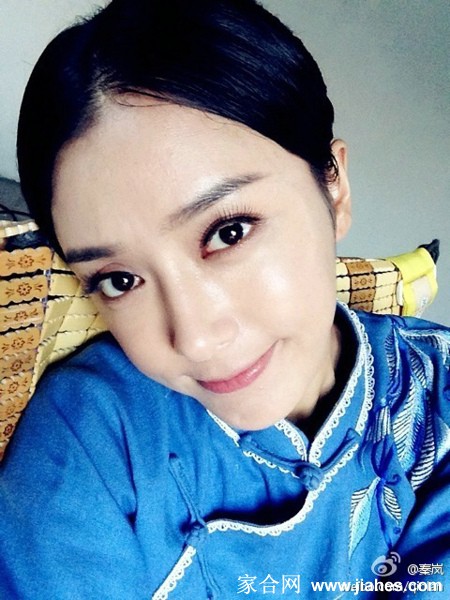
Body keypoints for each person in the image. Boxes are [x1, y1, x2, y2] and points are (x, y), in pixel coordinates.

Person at [0, 0, 449, 598]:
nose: (195, 338)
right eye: (119, 280)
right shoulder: (93, 439)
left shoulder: (437, 393)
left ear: (334, 187)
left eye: (228, 232)